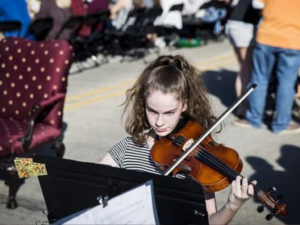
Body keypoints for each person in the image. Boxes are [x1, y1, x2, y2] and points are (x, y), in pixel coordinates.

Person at [99, 55, 256, 224]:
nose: (159, 122)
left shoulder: (197, 167)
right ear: (143, 103)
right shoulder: (127, 147)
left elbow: (210, 221)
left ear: (184, 106)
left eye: (169, 113)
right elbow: (90, 183)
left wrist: (232, 205)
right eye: (152, 111)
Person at [233, 0, 300, 134]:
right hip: (292, 39)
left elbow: (256, 4)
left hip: (266, 36)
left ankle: (253, 118)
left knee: (259, 78)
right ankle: (281, 123)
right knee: (286, 83)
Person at [225, 0, 261, 118]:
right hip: (244, 26)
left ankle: (241, 105)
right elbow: (258, 5)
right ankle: (243, 107)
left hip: (232, 24)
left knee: (242, 69)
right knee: (246, 70)